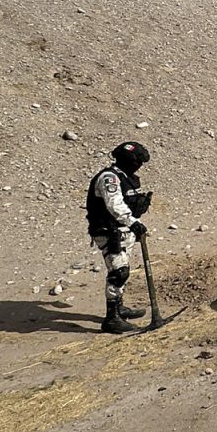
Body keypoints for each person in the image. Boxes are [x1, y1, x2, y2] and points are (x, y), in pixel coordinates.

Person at [86, 141, 153, 334]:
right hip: (110, 232)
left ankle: (119, 307)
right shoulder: (109, 178)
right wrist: (133, 222)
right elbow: (114, 205)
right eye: (138, 162)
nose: (139, 166)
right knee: (119, 272)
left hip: (123, 231)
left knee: (123, 269)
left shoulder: (126, 178)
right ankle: (111, 319)